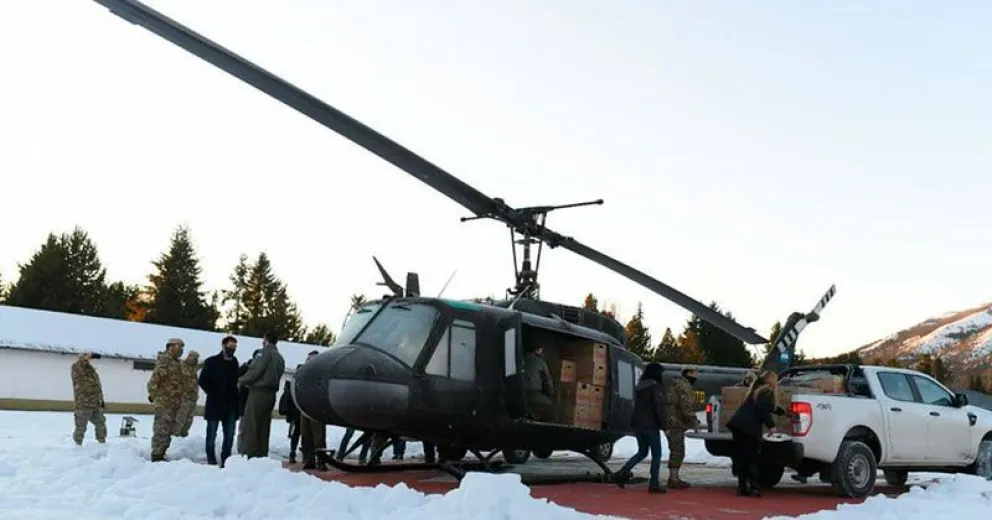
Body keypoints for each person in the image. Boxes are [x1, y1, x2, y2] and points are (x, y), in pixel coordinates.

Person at [727, 370, 785, 497]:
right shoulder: (767, 391)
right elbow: (762, 409)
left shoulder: (755, 390)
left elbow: (763, 405)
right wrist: (771, 426)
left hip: (738, 425)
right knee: (752, 458)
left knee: (742, 457)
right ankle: (755, 488)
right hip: (749, 428)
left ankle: (742, 487)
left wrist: (780, 411)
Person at [613, 362, 668, 493]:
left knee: (642, 452)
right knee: (656, 454)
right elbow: (659, 408)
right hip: (651, 425)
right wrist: (665, 426)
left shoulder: (640, 387)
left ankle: (622, 472)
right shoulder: (655, 387)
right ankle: (654, 483)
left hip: (638, 424)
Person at [237, 331, 286, 459]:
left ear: (265, 339)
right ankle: (261, 454)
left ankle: (248, 454)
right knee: (264, 426)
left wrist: (241, 380)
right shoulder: (279, 357)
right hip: (271, 394)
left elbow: (255, 371)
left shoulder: (263, 353)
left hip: (258, 392)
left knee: (251, 425)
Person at [198, 336, 240, 466]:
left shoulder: (235, 362)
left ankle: (226, 458)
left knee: (229, 435)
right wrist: (213, 393)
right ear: (223, 346)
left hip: (230, 405)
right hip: (215, 404)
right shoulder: (211, 361)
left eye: (234, 348)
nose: (232, 350)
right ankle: (211, 458)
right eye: (230, 347)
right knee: (211, 434)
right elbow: (202, 381)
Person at [147, 338, 186, 462]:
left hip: (174, 403)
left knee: (168, 430)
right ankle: (157, 455)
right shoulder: (165, 362)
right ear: (170, 347)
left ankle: (162, 453)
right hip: (164, 402)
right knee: (161, 429)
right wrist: (155, 397)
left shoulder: (177, 363)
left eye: (182, 347)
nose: (181, 350)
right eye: (178, 347)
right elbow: (154, 381)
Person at [665, 365, 703, 489]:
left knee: (675, 450)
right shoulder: (684, 387)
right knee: (678, 451)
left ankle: (673, 477)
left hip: (671, 422)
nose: (697, 375)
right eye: (695, 373)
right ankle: (673, 479)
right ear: (689, 373)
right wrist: (694, 422)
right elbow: (686, 407)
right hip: (676, 423)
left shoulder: (676, 385)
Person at [297, 350, 328, 469]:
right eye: (309, 360)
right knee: (306, 434)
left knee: (319, 436)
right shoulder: (303, 374)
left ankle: (321, 460)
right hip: (305, 407)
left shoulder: (322, 374)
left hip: (317, 408)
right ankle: (309, 459)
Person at [70, 352, 107, 445]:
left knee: (101, 423)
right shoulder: (76, 368)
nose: (89, 360)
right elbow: (80, 364)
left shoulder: (92, 371)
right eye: (87, 358)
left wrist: (101, 400)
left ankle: (101, 443)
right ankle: (77, 445)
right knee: (81, 427)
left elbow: (97, 387)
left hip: (95, 403)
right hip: (83, 404)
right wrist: (86, 357)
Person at [235, 350, 259, 455]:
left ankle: (251, 448)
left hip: (255, 402)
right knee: (243, 428)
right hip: (244, 402)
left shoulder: (261, 369)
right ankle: (241, 448)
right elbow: (238, 377)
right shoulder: (247, 367)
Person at [173, 350, 200, 437]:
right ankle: (175, 435)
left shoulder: (194, 369)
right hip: (183, 397)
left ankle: (183, 436)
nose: (192, 359)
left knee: (189, 419)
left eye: (195, 358)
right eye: (191, 356)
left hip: (192, 398)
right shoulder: (180, 366)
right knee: (180, 418)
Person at [522, 345, 553, 420]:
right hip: (533, 393)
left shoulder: (521, 358)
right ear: (538, 350)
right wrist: (550, 393)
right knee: (548, 404)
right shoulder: (541, 362)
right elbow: (548, 383)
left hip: (518, 393)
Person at [278, 379, 301, 464]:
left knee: (295, 435)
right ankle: (297, 454)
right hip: (299, 416)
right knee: (300, 435)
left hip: (294, 417)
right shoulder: (297, 389)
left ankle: (293, 453)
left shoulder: (291, 389)